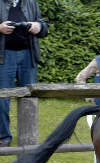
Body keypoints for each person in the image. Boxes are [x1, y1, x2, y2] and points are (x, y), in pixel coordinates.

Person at [0, 0, 49, 146]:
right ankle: (3, 138)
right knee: (2, 98)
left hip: (28, 56)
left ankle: (28, 137)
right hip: (4, 57)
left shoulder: (31, 3)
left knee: (29, 97)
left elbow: (45, 27)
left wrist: (38, 26)